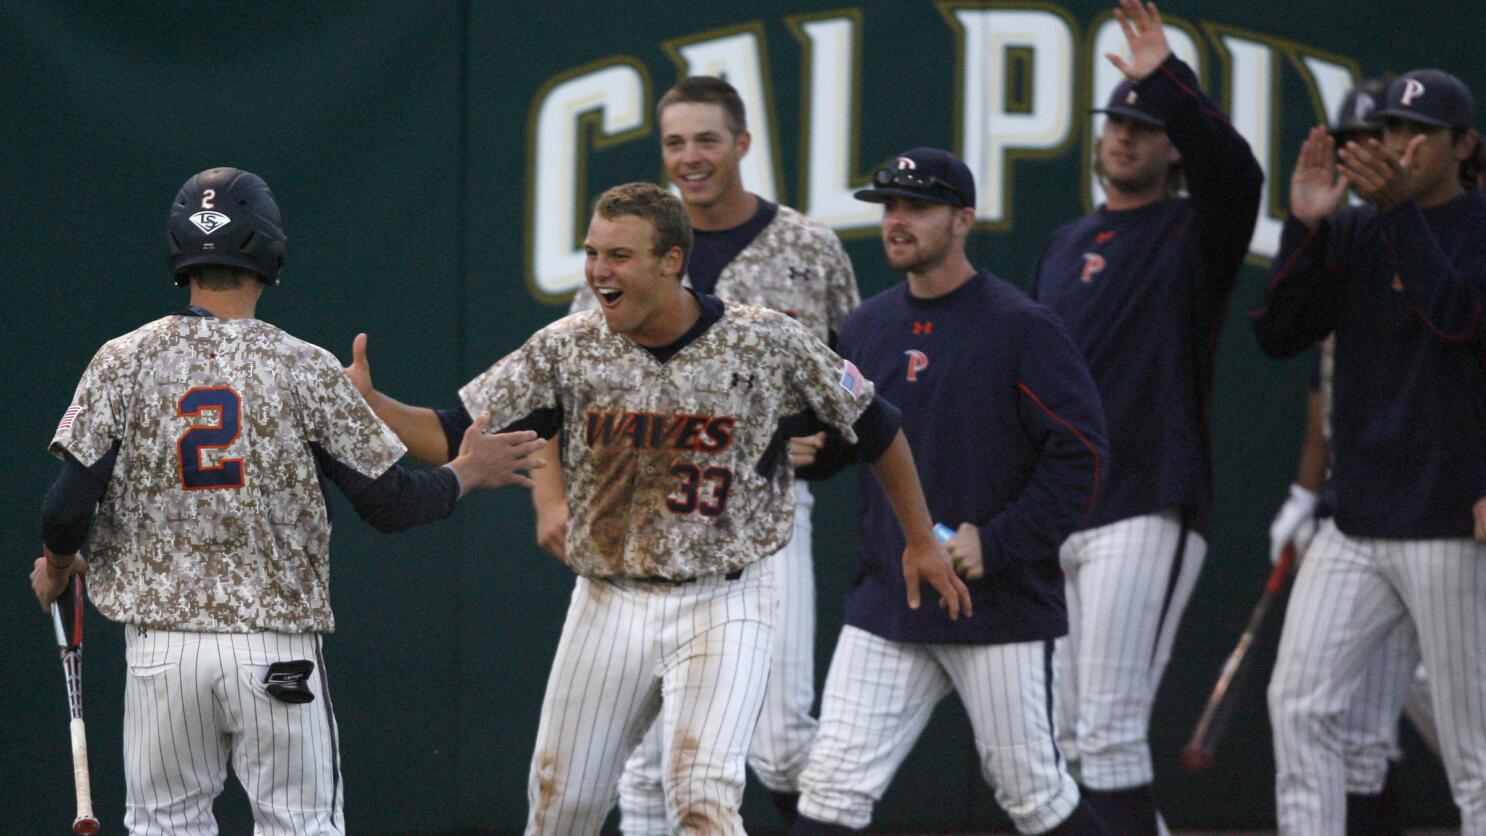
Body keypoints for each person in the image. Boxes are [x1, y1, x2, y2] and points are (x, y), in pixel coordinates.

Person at [346, 181, 971, 835]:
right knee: (564, 809)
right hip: (610, 596)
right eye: (592, 252)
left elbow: (876, 423)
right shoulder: (570, 345)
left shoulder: (765, 340)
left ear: (671, 261)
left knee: (703, 797)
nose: (598, 271)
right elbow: (452, 432)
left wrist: (920, 539)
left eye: (619, 255)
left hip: (725, 598)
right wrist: (375, 403)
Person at [30, 167, 546, 834]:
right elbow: (390, 504)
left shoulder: (121, 359)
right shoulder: (304, 366)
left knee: (165, 826)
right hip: (275, 653)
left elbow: (67, 505)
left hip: (162, 654)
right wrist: (467, 472)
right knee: (300, 825)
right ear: (269, 252)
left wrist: (58, 559)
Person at [535, 75, 861, 830]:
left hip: (761, 514)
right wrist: (549, 497)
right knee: (649, 761)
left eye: (707, 138)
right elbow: (563, 378)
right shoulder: (628, 248)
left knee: (779, 744)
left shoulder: (809, 248)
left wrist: (822, 443)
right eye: (675, 141)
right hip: (640, 512)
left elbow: (852, 392)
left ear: (742, 143)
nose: (691, 156)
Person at [790, 147, 1108, 835]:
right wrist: (809, 453)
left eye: (918, 206)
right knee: (831, 789)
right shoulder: (870, 326)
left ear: (963, 219)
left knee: (1033, 794)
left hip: (993, 604)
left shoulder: (1020, 326)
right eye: (889, 206)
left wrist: (996, 542)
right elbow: (854, 440)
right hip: (891, 600)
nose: (897, 220)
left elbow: (1080, 457)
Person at [1027, 2, 1263, 831]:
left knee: (1110, 735)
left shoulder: (1196, 230)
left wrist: (1168, 77)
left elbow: (1238, 177)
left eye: (1145, 123)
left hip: (1147, 502)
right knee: (1056, 745)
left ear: (1172, 146)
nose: (1125, 135)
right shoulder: (1063, 245)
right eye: (1117, 122)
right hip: (1059, 515)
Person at [1253, 68, 1486, 834]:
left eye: (1420, 132)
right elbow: (1278, 332)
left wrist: (1394, 214)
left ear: (1463, 146)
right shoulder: (1355, 231)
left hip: (1454, 519)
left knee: (1473, 749)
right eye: (1389, 130)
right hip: (1356, 520)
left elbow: (1456, 319)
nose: (1401, 145)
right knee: (1298, 704)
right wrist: (1307, 226)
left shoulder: (1477, 226)